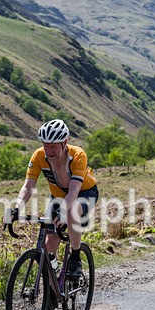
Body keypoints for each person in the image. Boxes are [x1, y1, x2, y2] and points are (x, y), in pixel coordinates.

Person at [14, 119, 99, 279]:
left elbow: (74, 190)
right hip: (59, 197)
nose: (49, 150)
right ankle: (53, 281)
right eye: (46, 145)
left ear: (64, 142)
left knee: (72, 211)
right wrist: (16, 208)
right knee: (48, 243)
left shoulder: (78, 155)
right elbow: (28, 186)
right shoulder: (39, 156)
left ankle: (75, 257)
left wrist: (63, 212)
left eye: (53, 146)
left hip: (85, 192)